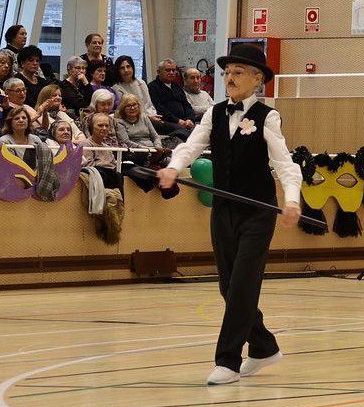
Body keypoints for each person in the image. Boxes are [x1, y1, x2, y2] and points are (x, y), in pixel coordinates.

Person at [162, 44, 305, 387]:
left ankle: (227, 359)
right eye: (226, 73)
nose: (230, 78)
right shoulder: (213, 113)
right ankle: (263, 345)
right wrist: (173, 167)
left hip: (257, 212)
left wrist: (293, 200)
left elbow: (285, 165)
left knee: (242, 284)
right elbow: (191, 145)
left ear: (258, 80)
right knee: (229, 287)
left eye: (238, 72)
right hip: (223, 209)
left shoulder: (267, 117)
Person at [149, 59, 197, 139]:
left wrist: (190, 119)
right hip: (166, 122)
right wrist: (178, 121)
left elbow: (187, 105)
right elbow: (159, 108)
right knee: (185, 132)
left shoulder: (177, 86)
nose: (171, 73)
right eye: (168, 70)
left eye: (173, 70)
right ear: (158, 72)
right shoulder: (152, 87)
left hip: (183, 121)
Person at [111, 55, 152, 121]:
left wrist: (152, 116)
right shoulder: (115, 89)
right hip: (131, 120)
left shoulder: (141, 83)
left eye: (128, 66)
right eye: (122, 68)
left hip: (149, 118)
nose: (126, 70)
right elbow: (123, 111)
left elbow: (149, 105)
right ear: (118, 71)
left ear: (133, 68)